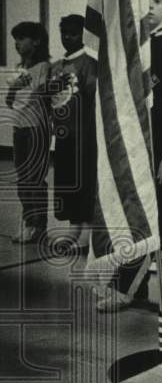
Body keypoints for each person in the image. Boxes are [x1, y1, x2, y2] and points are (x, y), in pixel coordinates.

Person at [97, 0, 162, 322]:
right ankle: (128, 286)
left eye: (157, 0)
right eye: (145, 0)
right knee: (133, 220)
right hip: (133, 154)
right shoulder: (127, 52)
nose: (150, 7)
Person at [50, 15, 97, 250]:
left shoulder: (89, 63)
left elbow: (92, 97)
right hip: (62, 135)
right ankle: (73, 225)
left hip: (84, 135)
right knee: (66, 181)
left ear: (83, 35)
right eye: (64, 33)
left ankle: (87, 229)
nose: (67, 38)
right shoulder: (57, 66)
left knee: (83, 182)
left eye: (73, 33)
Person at [6, 22, 52, 243]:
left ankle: (37, 225)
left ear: (36, 42)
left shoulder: (43, 67)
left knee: (34, 178)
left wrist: (30, 83)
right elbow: (10, 102)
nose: (17, 43)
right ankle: (29, 222)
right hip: (19, 128)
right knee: (23, 178)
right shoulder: (18, 68)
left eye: (22, 38)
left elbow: (45, 96)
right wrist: (14, 87)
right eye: (15, 39)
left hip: (37, 128)